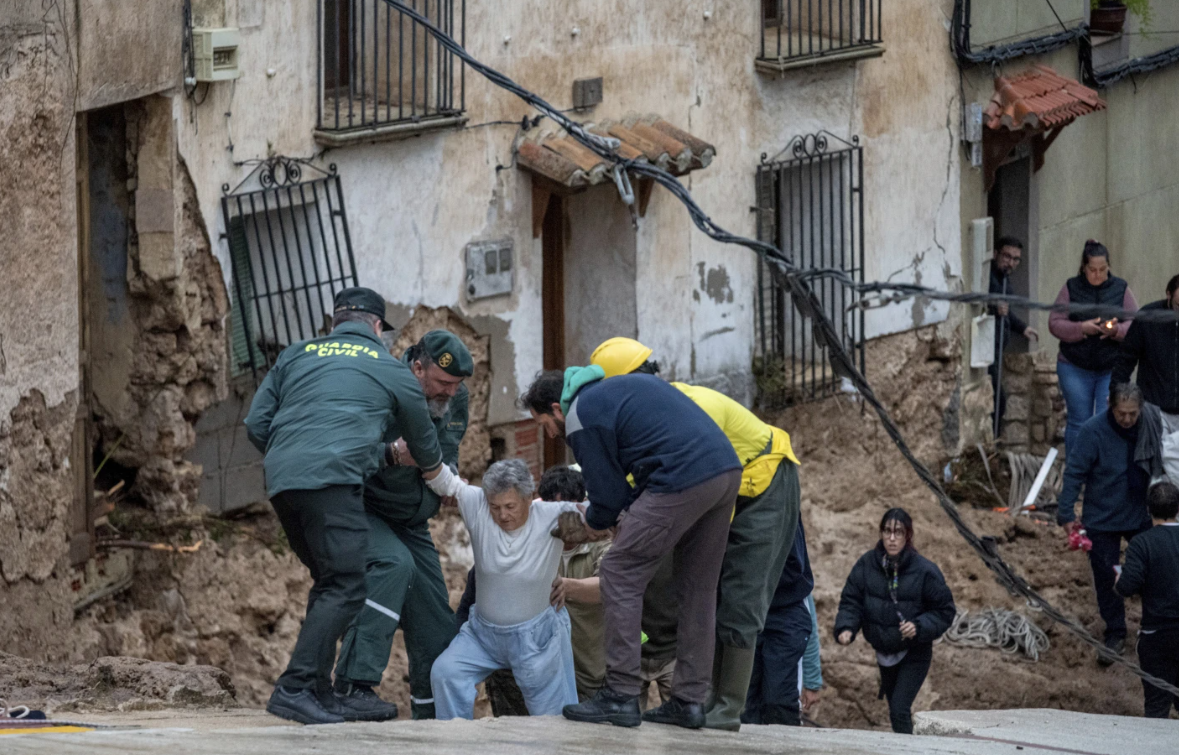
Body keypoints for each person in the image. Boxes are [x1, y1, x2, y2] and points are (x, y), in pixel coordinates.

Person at [244, 287, 458, 725]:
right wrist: (442, 479)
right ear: (378, 328)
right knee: (346, 582)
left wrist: (293, 455)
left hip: (283, 481)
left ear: (335, 321)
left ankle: (321, 690)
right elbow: (425, 448)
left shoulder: (296, 354)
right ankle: (296, 687)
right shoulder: (389, 368)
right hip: (334, 481)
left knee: (332, 584)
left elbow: (256, 423)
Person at [589, 337, 802, 731]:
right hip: (721, 493)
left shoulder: (687, 406)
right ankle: (694, 697)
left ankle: (727, 707)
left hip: (765, 485)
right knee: (697, 585)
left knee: (741, 593)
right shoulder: (647, 420)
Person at [522, 368, 742, 729]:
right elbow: (634, 478)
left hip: (681, 476)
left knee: (619, 572)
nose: (548, 433)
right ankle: (689, 701)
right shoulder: (618, 390)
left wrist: (591, 518)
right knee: (699, 587)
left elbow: (607, 500)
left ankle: (621, 695)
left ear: (555, 408)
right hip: (724, 470)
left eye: (543, 423)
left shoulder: (580, 414)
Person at [334, 330, 473, 720]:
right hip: (365, 509)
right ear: (417, 367)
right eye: (443, 382)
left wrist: (451, 476)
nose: (451, 392)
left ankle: (432, 722)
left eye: (457, 384)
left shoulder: (456, 396)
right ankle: (351, 687)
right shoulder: (380, 388)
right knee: (393, 566)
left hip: (413, 521)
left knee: (436, 624)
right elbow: (348, 454)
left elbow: (450, 447)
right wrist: (392, 456)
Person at [428, 459, 593, 718]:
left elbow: (600, 517)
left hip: (535, 639)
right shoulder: (477, 504)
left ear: (529, 498)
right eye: (495, 507)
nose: (502, 515)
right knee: (446, 673)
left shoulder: (555, 515)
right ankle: (455, 743)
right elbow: (441, 480)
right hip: (481, 636)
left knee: (551, 720)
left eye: (510, 506)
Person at [833, 508, 955, 735]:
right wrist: (847, 627)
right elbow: (852, 600)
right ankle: (905, 744)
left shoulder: (925, 570)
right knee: (894, 711)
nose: (891, 538)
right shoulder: (867, 564)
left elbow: (944, 611)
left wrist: (918, 626)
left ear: (908, 536)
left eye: (898, 532)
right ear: (880, 533)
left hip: (914, 652)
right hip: (884, 652)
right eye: (887, 531)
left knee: (899, 708)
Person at [1056, 382, 1153, 664]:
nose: (1127, 419)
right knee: (1105, 576)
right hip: (1101, 517)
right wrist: (1065, 513)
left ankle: (1154, 628)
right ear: (1111, 407)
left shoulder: (1149, 426)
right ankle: (1115, 631)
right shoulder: (1091, 432)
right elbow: (1074, 473)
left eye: (1132, 414)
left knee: (1154, 570)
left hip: (1140, 513)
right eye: (1122, 413)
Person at [1048, 240, 1138, 455]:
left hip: (1110, 367)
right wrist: (1081, 328)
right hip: (1074, 366)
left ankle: (1103, 472)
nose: (1098, 275)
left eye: (1103, 270)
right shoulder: (1071, 287)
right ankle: (1077, 472)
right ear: (1083, 268)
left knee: (1106, 419)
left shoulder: (1121, 288)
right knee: (1079, 421)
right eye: (1092, 270)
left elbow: (1135, 323)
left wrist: (1116, 331)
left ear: (1109, 267)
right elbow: (1055, 323)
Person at [1115, 482, 1179, 718]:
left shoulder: (1142, 543)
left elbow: (1126, 586)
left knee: (1156, 708)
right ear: (1178, 508)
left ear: (1148, 510)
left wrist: (1118, 578)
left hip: (1157, 636)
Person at [742, 521, 814, 726]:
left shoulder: (782, 505)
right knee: (744, 703)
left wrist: (813, 678)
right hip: (748, 611)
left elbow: (795, 568)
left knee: (778, 701)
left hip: (785, 612)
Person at [1113, 274, 1179, 483]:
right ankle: (1156, 512)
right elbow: (1126, 358)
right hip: (1154, 407)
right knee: (1155, 470)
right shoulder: (1149, 317)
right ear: (1168, 296)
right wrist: (1116, 393)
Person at [988, 237, 1040, 429]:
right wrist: (993, 308)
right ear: (995, 254)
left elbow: (1006, 310)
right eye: (1007, 256)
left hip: (998, 346)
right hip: (988, 349)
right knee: (997, 400)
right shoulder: (989, 278)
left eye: (1016, 259)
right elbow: (983, 304)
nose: (1011, 263)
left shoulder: (1003, 277)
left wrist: (1022, 328)